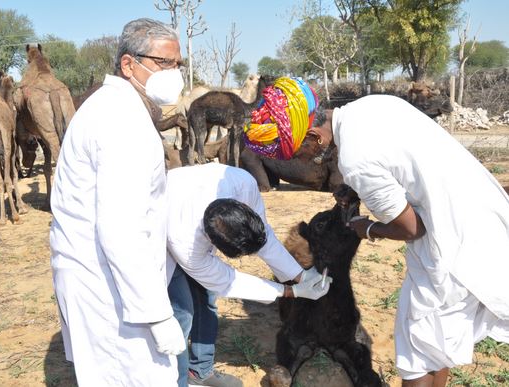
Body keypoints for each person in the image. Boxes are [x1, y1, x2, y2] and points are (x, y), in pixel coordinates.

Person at [244, 83, 509, 387]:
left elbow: (411, 228)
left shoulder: (356, 161)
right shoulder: (371, 106)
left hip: (452, 240)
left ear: (315, 136)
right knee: (437, 345)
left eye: (300, 153)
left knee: (417, 354)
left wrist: (367, 228)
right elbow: (398, 163)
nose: (303, 162)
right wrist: (357, 191)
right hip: (482, 214)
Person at [49, 18, 187, 386]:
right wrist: (157, 314)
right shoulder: (121, 121)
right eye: (163, 63)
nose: (174, 74)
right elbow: (120, 230)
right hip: (108, 285)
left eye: (178, 65)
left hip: (105, 277)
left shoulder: (114, 108)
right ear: (129, 65)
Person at [166, 162, 332, 387]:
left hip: (191, 199)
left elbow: (265, 239)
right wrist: (290, 291)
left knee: (206, 301)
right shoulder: (187, 245)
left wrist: (301, 276)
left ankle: (200, 371)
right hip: (162, 234)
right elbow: (228, 282)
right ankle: (177, 379)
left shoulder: (243, 184)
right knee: (181, 313)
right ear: (216, 244)